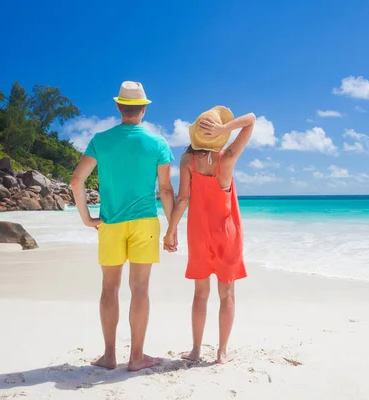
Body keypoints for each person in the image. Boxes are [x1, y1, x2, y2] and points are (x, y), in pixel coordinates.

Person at [71, 81, 175, 371]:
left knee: (109, 289)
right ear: (143, 109)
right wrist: (172, 228)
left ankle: (109, 356)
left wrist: (86, 218)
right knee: (140, 289)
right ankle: (137, 357)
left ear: (118, 107)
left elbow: (76, 181)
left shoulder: (100, 140)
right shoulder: (157, 143)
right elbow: (166, 190)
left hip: (110, 223)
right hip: (145, 222)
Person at [163, 106, 255, 364]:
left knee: (200, 294)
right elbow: (251, 120)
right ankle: (222, 352)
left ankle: (195, 350)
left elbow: (182, 200)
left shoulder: (188, 161)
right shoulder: (228, 158)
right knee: (227, 295)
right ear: (217, 136)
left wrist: (170, 231)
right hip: (227, 235)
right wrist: (226, 128)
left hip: (199, 234)